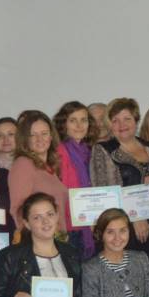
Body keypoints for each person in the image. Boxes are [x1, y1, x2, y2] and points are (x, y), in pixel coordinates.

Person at [91, 98, 149, 284]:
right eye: (115, 120)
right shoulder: (103, 150)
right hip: (124, 230)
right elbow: (106, 193)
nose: (121, 125)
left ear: (136, 120)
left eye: (127, 119)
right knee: (128, 287)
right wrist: (135, 216)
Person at [7, 111, 68, 233]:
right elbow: (18, 209)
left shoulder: (50, 167)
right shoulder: (23, 164)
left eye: (44, 133)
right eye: (33, 135)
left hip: (56, 237)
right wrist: (32, 240)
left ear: (51, 136)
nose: (40, 139)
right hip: (38, 239)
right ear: (25, 139)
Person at [55, 101, 98, 258]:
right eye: (73, 120)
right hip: (69, 227)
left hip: (88, 223)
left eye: (83, 120)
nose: (79, 125)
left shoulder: (89, 151)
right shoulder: (59, 151)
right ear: (63, 124)